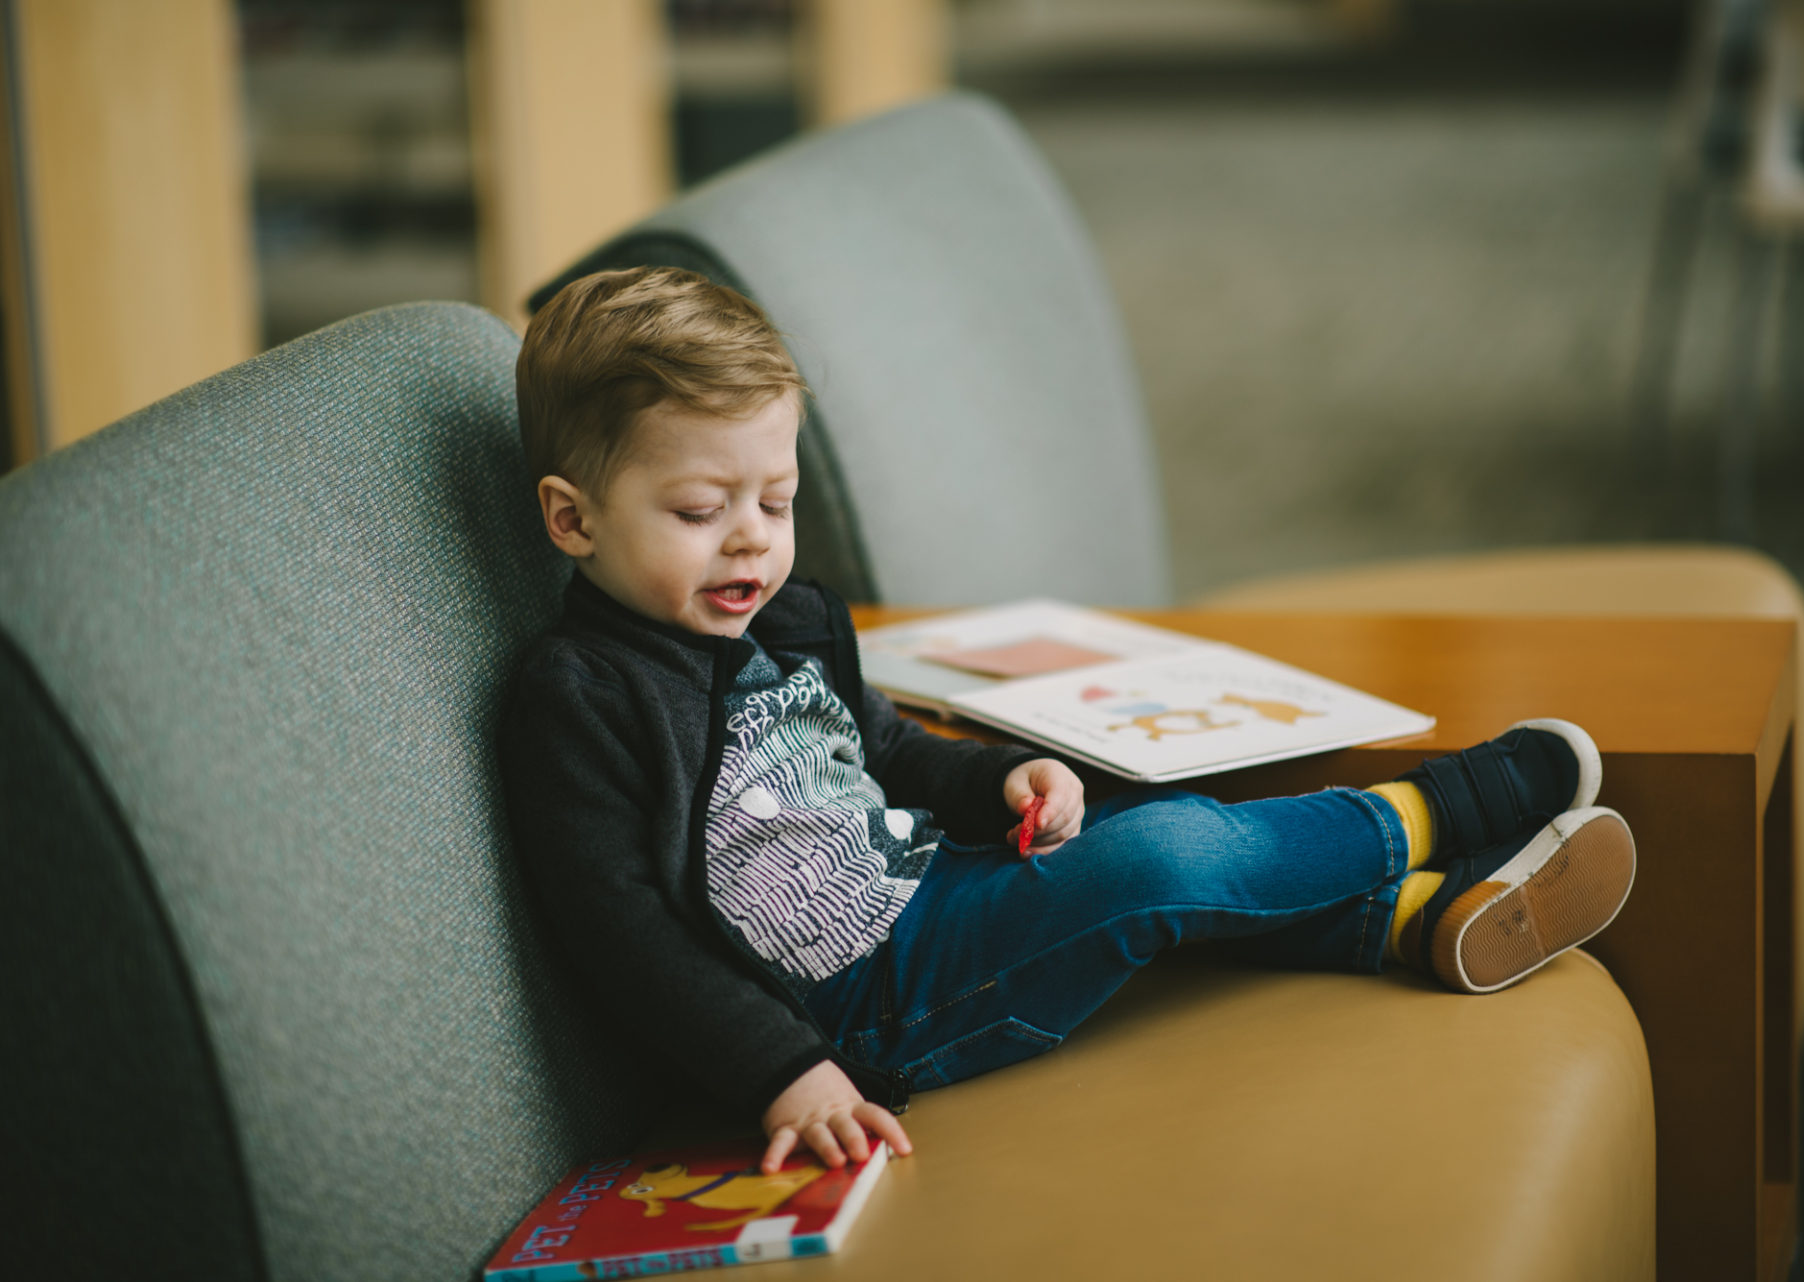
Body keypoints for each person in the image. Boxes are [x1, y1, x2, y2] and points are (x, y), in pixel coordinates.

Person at [497, 266, 1637, 1180]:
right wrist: (785, 1070)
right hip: (870, 1009)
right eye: (701, 510)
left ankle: (1417, 920)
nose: (751, 536)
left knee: (1137, 822)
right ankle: (1434, 812)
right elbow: (623, 933)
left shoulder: (786, 621)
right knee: (1157, 863)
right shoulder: (580, 696)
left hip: (935, 880)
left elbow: (885, 751)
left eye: (776, 499)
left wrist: (1001, 779)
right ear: (572, 518)